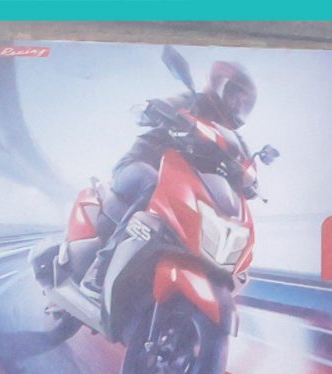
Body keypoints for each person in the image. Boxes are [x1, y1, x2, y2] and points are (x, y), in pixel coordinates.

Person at [86, 60, 272, 291]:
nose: (238, 104)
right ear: (222, 86)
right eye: (236, 96)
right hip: (140, 164)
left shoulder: (232, 137)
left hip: (176, 183)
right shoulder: (191, 101)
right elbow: (149, 111)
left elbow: (245, 167)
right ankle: (100, 267)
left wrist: (250, 181)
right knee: (152, 184)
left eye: (245, 102)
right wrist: (155, 109)